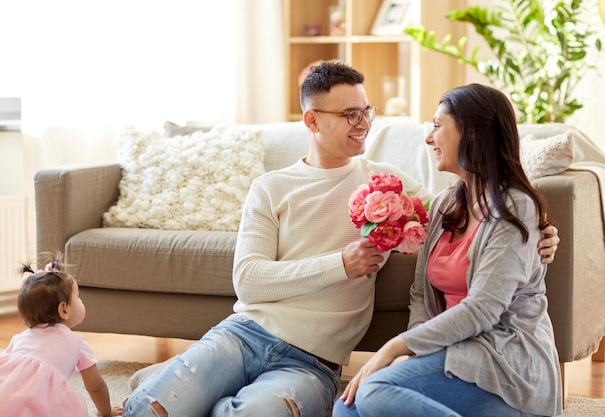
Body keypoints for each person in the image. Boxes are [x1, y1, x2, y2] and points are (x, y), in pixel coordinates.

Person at [123, 62, 560, 417]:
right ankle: (189, 385)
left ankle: (211, 396)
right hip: (243, 335)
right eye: (350, 115)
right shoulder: (271, 187)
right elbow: (249, 282)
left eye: (365, 112)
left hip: (313, 362)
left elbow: (482, 220)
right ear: (312, 120)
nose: (362, 124)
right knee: (149, 410)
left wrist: (541, 233)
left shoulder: (389, 185)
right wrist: (341, 264)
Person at [332, 83, 563, 417]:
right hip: (454, 351)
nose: (429, 138)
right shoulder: (444, 205)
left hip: (504, 360)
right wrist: (414, 356)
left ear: (472, 133)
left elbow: (483, 309)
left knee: (374, 391)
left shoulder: (515, 207)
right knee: (346, 409)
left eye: (438, 126)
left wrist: (394, 348)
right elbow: (418, 295)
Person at [0, 251, 123, 417]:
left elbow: (5, 372)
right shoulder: (77, 342)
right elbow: (96, 386)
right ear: (64, 310)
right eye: (77, 296)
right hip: (40, 403)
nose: (80, 301)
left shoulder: (20, 338)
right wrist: (106, 412)